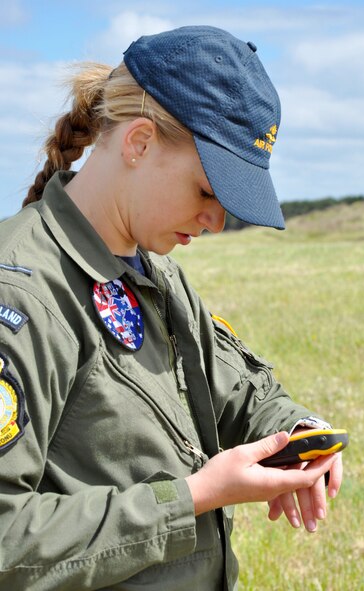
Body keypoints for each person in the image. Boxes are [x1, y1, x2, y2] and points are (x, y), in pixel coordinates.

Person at [0, 25, 343, 591]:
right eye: (208, 192)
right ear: (138, 143)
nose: (216, 222)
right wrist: (193, 498)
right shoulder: (23, 295)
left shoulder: (155, 275)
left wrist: (299, 434)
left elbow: (237, 387)